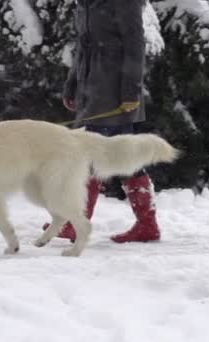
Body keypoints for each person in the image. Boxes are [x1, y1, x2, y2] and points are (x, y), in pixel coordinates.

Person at [43, 0, 161, 243]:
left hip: (114, 91)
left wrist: (131, 91)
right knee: (118, 156)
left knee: (93, 155)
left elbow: (135, 44)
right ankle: (145, 225)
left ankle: (78, 223)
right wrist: (72, 84)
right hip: (91, 88)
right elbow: (82, 46)